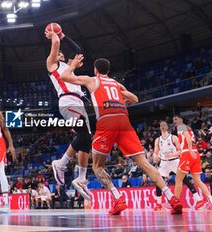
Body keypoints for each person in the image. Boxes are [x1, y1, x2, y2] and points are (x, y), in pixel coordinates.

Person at [60, 54, 183, 214]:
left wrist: (74, 65)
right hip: (123, 120)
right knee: (144, 164)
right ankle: (172, 198)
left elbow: (64, 77)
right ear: (108, 70)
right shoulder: (115, 83)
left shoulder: (92, 80)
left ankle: (118, 198)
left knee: (97, 166)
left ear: (96, 69)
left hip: (106, 120)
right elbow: (135, 98)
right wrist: (119, 104)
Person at [45, 29, 92, 200]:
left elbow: (78, 50)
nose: (61, 54)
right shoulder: (53, 65)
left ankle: (81, 178)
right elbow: (56, 45)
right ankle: (61, 163)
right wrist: (53, 34)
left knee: (86, 139)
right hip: (68, 101)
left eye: (63, 54)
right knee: (84, 135)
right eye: (58, 54)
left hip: (79, 103)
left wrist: (64, 35)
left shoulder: (69, 68)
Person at [153, 120, 204, 211]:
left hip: (175, 161)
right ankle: (158, 204)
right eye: (161, 125)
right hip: (164, 162)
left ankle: (198, 199)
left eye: (164, 124)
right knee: (159, 181)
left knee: (185, 180)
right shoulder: (157, 140)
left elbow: (180, 151)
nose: (162, 126)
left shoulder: (174, 137)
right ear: (160, 127)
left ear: (167, 126)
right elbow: (155, 153)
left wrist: (172, 155)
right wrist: (155, 156)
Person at [173, 115, 212, 209]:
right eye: (173, 119)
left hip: (187, 153)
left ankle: (174, 203)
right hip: (196, 154)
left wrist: (189, 149)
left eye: (176, 119)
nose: (174, 121)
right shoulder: (188, 127)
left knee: (178, 179)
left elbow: (187, 138)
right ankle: (210, 200)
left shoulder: (181, 126)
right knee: (197, 181)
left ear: (181, 120)